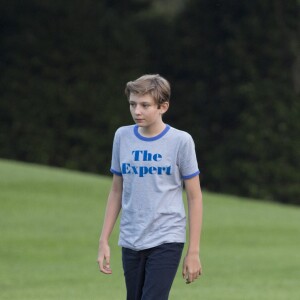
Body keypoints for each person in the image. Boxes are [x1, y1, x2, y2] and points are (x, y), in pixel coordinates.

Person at [97, 74, 203, 300]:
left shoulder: (181, 141)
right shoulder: (122, 136)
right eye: (133, 104)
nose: (137, 111)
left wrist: (193, 251)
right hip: (131, 238)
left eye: (145, 105)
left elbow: (194, 197)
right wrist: (103, 239)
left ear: (163, 107)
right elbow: (117, 189)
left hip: (167, 237)